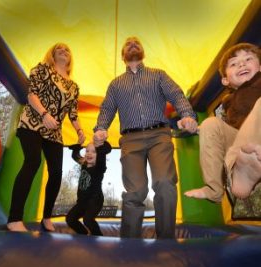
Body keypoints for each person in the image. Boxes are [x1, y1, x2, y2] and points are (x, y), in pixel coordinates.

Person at [93, 36, 198, 239]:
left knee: (165, 183)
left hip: (159, 135)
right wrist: (100, 128)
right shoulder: (115, 84)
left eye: (137, 42)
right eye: (128, 44)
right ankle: (129, 245)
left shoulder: (158, 75)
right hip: (130, 140)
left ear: (143, 52)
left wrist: (187, 115)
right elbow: (107, 109)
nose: (132, 43)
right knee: (135, 192)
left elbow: (176, 94)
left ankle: (166, 241)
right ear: (123, 55)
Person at [7, 43, 85, 232]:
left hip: (54, 132)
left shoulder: (74, 87)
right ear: (52, 54)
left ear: (70, 58)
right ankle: (14, 218)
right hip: (32, 123)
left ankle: (47, 217)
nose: (63, 50)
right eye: (58, 48)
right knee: (32, 162)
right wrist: (44, 115)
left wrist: (80, 131)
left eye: (67, 49)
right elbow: (31, 95)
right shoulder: (42, 69)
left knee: (56, 173)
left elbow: (72, 113)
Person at [184, 42, 261, 202]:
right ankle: (215, 188)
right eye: (234, 64)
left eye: (248, 59)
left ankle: (243, 170)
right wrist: (197, 129)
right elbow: (224, 132)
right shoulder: (228, 102)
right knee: (210, 124)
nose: (241, 64)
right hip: (241, 145)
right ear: (225, 80)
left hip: (256, 137)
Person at [66, 141, 111, 235]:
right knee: (70, 219)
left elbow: (104, 151)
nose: (89, 153)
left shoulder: (99, 167)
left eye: (94, 152)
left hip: (95, 200)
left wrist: (100, 145)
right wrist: (77, 147)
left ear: (99, 154)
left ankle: (99, 237)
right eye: (87, 151)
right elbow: (76, 156)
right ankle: (83, 234)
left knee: (88, 220)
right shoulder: (84, 165)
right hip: (82, 201)